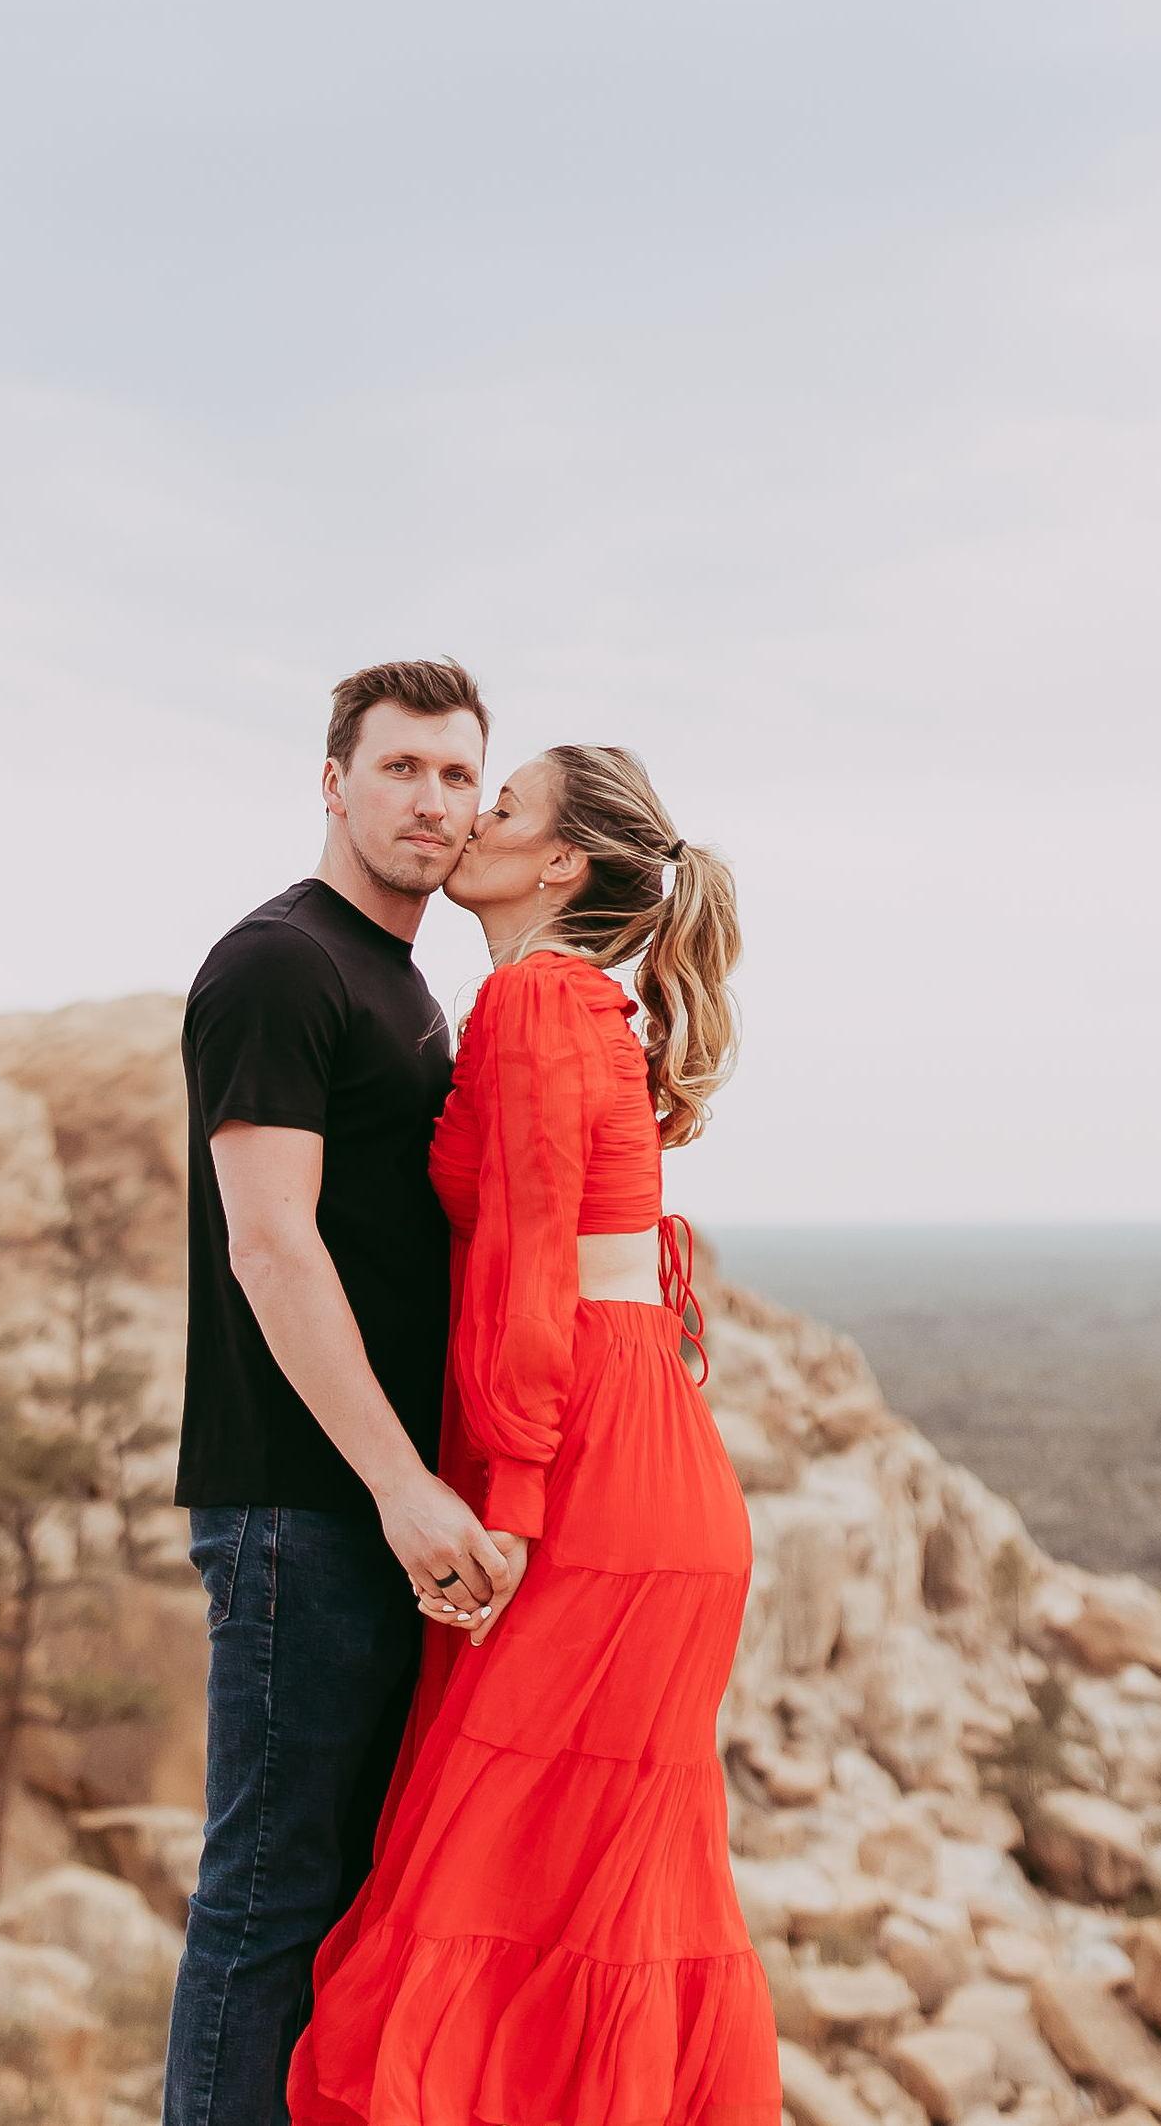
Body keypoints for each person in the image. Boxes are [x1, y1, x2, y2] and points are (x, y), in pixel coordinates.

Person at [287, 743, 780, 2126]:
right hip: (632, 1465)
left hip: (591, 1482)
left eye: (501, 805)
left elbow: (531, 1279)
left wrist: (506, 1501)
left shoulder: (541, 1000)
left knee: (496, 1886)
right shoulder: (563, 1001)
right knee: (574, 1900)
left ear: (559, 863)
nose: (466, 818)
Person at [164, 658, 515, 2126]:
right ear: (333, 781)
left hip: (362, 1515)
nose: (431, 801)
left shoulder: (402, 979)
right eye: (400, 769)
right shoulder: (280, 964)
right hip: (300, 1508)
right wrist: (400, 1482)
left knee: (345, 1893)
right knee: (269, 1896)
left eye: (456, 775)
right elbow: (270, 1238)